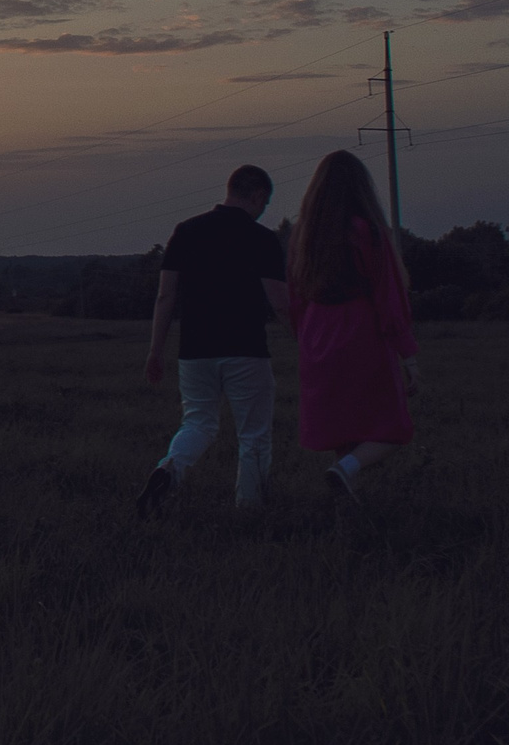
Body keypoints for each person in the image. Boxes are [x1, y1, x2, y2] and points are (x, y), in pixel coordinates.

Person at [135, 164, 290, 517]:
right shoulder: (262, 239)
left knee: (198, 422)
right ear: (258, 196)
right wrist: (304, 340)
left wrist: (155, 352)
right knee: (253, 434)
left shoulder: (186, 231)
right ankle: (249, 508)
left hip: (194, 351)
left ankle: (168, 470)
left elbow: (165, 297)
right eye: (264, 204)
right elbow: (280, 302)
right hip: (246, 351)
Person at [287, 149, 420, 505]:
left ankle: (344, 488)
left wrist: (304, 340)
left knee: (341, 424)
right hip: (359, 329)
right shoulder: (368, 232)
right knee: (393, 426)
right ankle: (346, 472)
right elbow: (388, 295)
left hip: (316, 332)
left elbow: (295, 295)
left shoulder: (303, 235)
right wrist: (408, 353)